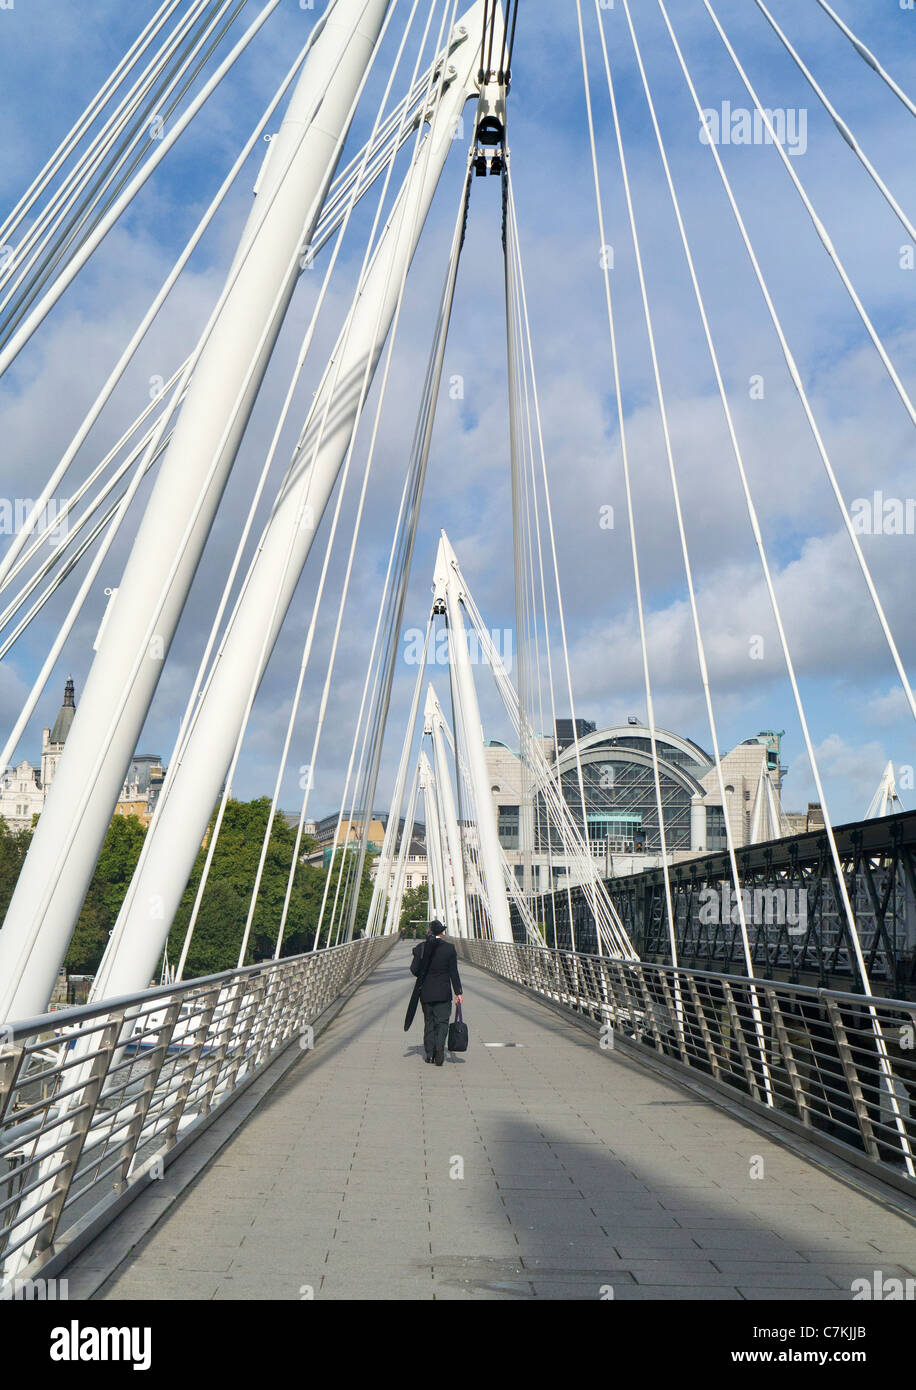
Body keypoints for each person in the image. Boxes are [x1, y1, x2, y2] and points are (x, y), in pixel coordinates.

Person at [410, 919, 462, 1066]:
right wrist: (458, 992)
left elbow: (414, 970)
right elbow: (454, 972)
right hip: (443, 992)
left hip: (426, 992)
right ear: (442, 932)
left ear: (430, 931)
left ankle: (430, 1054)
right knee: (442, 1022)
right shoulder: (449, 949)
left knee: (429, 1022)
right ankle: (440, 1046)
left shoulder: (421, 948)